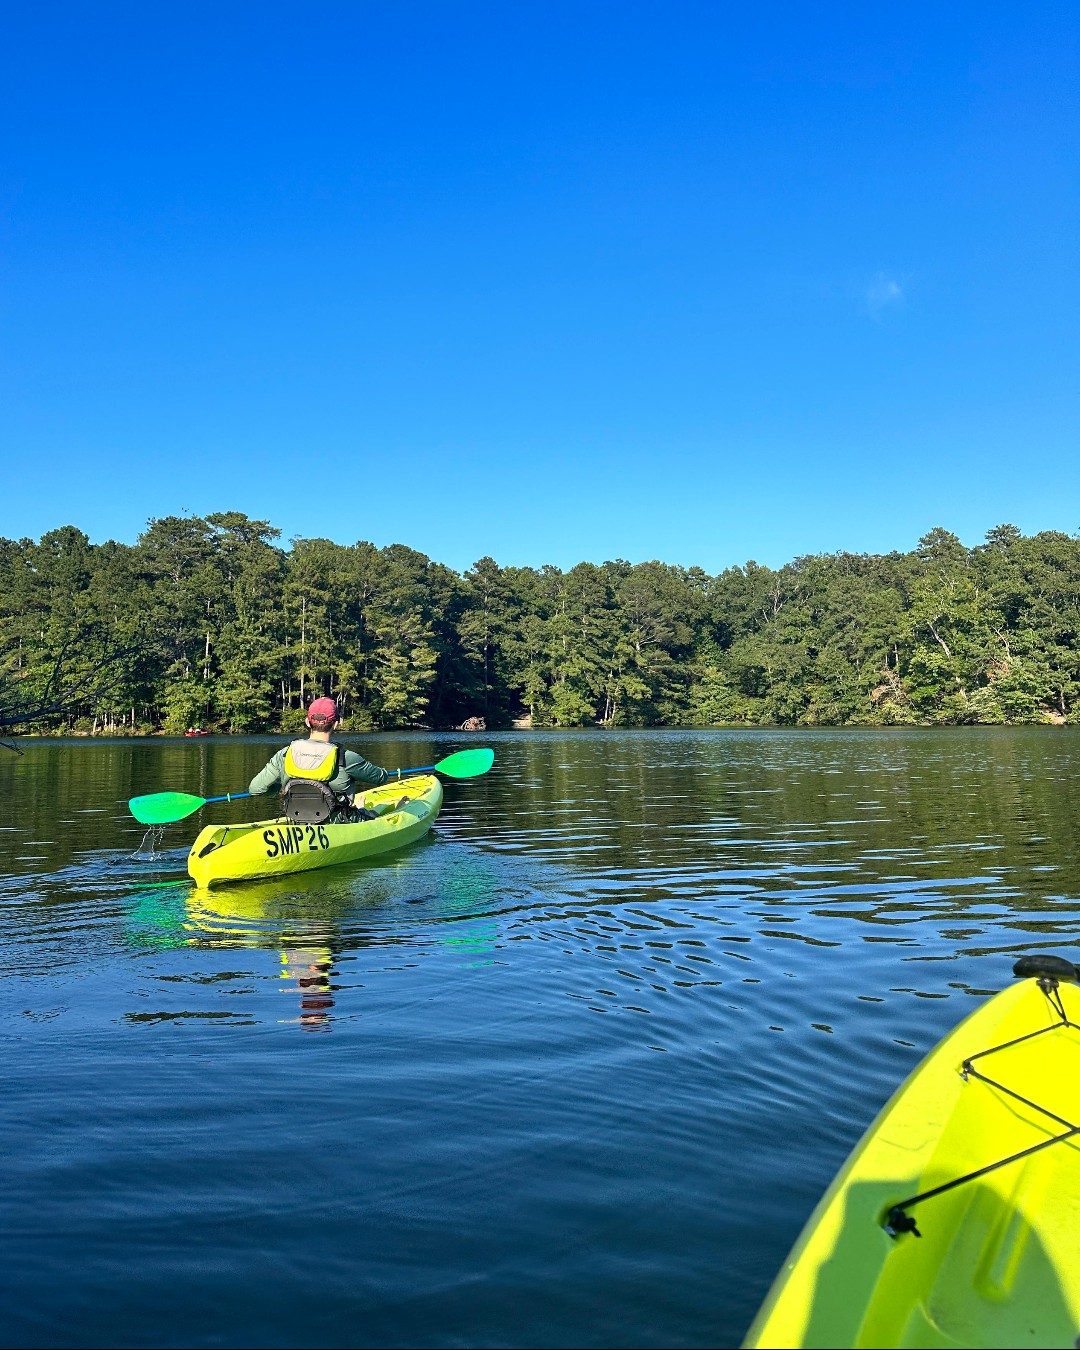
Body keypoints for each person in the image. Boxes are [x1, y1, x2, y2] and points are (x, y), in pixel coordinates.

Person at [248, 696, 395, 821]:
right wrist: (384, 773)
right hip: (339, 824)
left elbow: (255, 789)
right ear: (335, 724)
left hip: (298, 821)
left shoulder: (284, 754)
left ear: (307, 722)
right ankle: (363, 810)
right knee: (375, 813)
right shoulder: (346, 757)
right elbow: (381, 778)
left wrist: (280, 788)